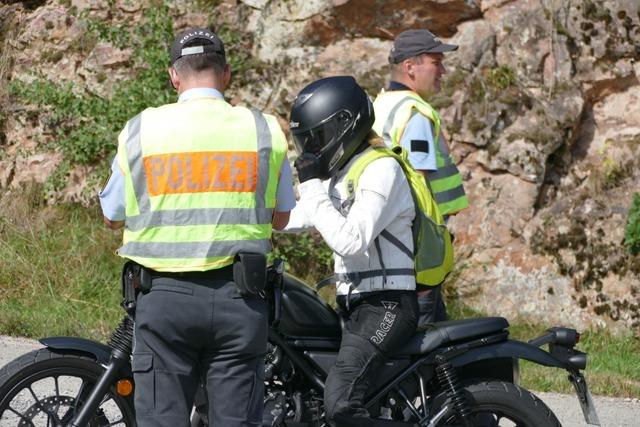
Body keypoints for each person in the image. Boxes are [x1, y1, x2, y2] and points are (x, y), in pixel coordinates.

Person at [98, 27, 295, 427]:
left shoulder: (141, 130)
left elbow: (113, 215)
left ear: (174, 76)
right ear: (226, 74)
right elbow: (282, 217)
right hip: (240, 300)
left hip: (164, 300)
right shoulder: (263, 130)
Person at [287, 76, 429, 427]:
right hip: (355, 307)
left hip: (386, 307)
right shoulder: (343, 172)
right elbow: (293, 216)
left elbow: (351, 240)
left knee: (340, 405)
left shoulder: (382, 169)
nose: (311, 151)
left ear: (344, 126)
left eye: (315, 140)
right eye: (305, 142)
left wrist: (310, 186)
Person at [372, 28, 469, 326]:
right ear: (409, 67)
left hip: (390, 240)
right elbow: (418, 182)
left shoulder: (381, 105)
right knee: (425, 335)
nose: (443, 70)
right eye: (435, 62)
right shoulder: (415, 113)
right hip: (418, 243)